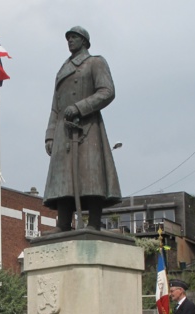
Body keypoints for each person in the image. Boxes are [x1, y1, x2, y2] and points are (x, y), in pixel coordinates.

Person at [43, 26, 121, 232]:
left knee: (91, 175)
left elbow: (107, 91)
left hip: (87, 127)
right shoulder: (62, 69)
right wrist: (50, 135)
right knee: (64, 177)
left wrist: (79, 107)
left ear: (85, 41)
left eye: (74, 37)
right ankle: (63, 223)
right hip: (63, 131)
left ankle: (94, 222)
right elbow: (55, 107)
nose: (70, 40)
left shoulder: (95, 62)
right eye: (68, 38)